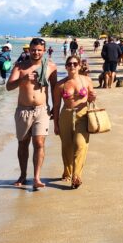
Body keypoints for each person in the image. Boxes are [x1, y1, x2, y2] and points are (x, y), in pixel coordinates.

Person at [5, 37, 58, 191]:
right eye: (33, 50)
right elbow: (8, 86)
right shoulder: (20, 67)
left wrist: (55, 108)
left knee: (39, 143)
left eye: (39, 50)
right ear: (29, 50)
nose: (36, 52)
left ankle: (36, 177)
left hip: (42, 110)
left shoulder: (51, 67)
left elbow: (54, 88)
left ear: (44, 51)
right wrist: (22, 79)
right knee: (23, 144)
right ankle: (23, 175)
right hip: (23, 110)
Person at [52, 56, 96, 189]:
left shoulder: (87, 80)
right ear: (65, 66)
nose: (72, 66)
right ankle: (68, 172)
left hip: (82, 115)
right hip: (65, 115)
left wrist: (92, 97)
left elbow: (91, 99)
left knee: (80, 144)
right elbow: (56, 105)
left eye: (75, 64)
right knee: (66, 146)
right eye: (69, 64)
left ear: (79, 66)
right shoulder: (60, 84)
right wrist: (55, 123)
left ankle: (76, 176)